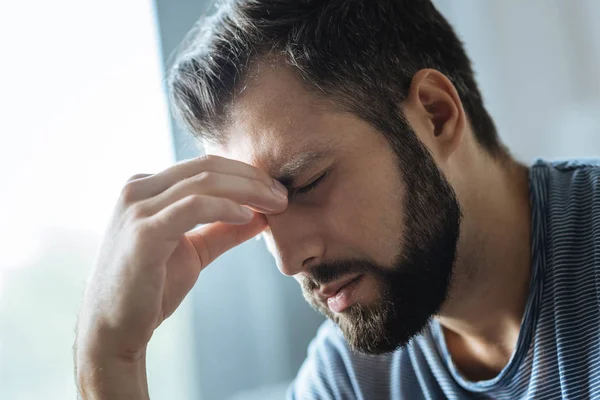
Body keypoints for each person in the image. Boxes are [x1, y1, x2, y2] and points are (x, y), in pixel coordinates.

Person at [74, 0, 600, 399]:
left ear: (435, 116)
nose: (287, 260)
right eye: (259, 214)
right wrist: (111, 355)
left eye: (306, 183)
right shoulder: (352, 376)